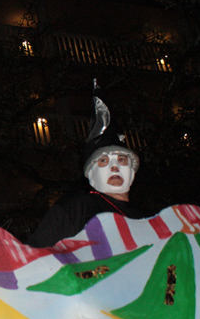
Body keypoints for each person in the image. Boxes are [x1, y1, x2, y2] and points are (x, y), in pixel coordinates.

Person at [26, 89, 146, 248]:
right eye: (104, 160)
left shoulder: (146, 221)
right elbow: (36, 255)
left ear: (132, 171)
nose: (115, 167)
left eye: (122, 160)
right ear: (90, 173)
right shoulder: (77, 209)